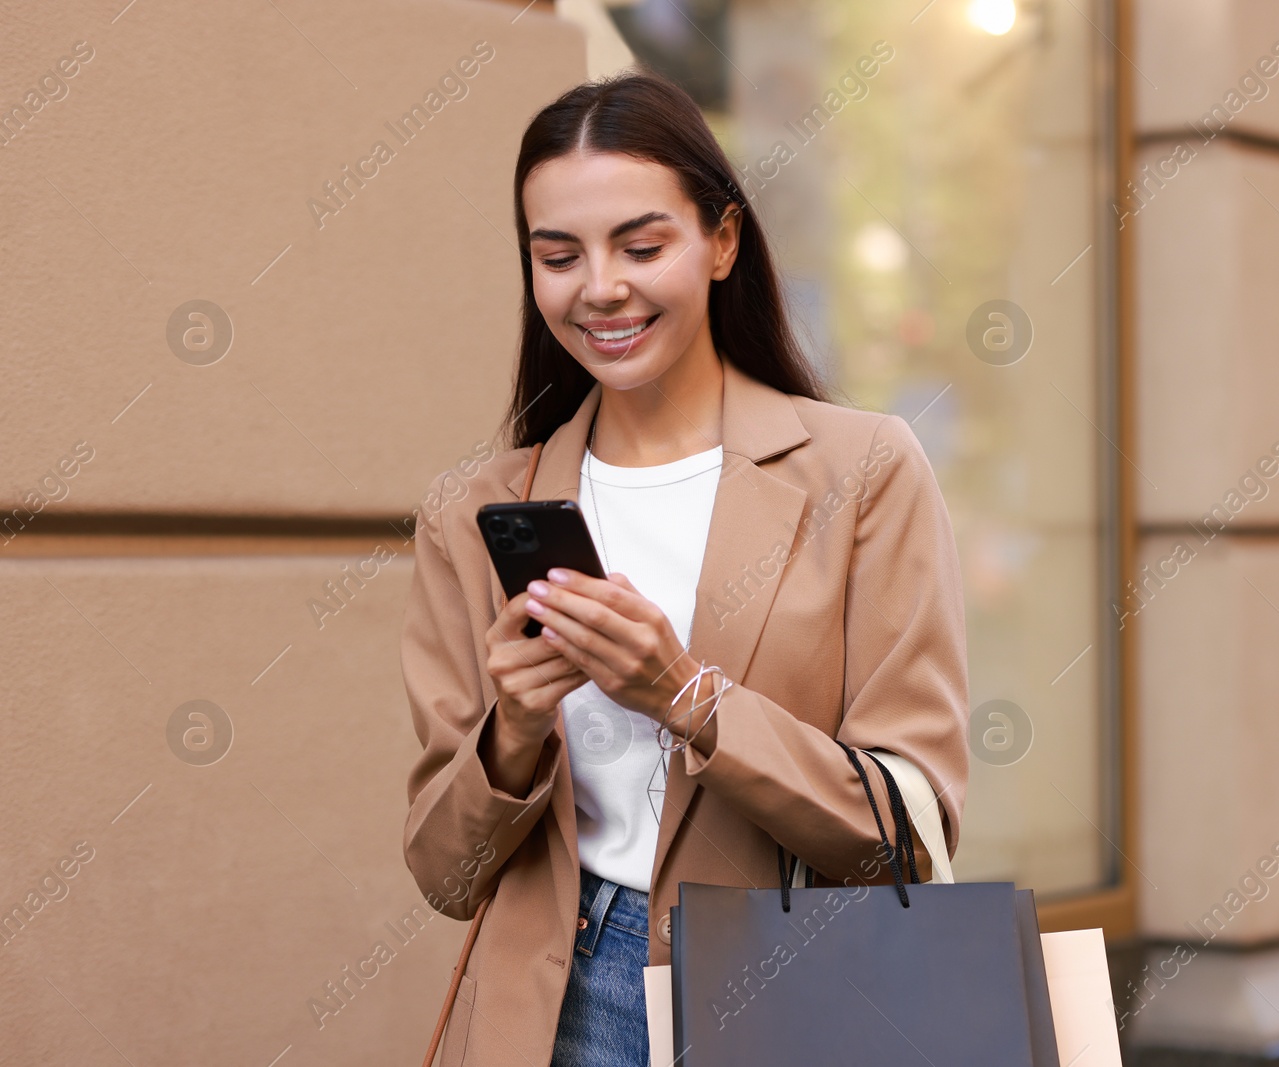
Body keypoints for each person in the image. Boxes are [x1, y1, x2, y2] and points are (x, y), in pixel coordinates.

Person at [401, 71, 969, 1067]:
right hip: (549, 1007)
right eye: (558, 255)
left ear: (722, 240)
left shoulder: (864, 470)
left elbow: (906, 835)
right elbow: (446, 874)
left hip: (790, 992)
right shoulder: (475, 511)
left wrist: (688, 695)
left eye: (641, 243)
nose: (600, 287)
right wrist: (516, 732)